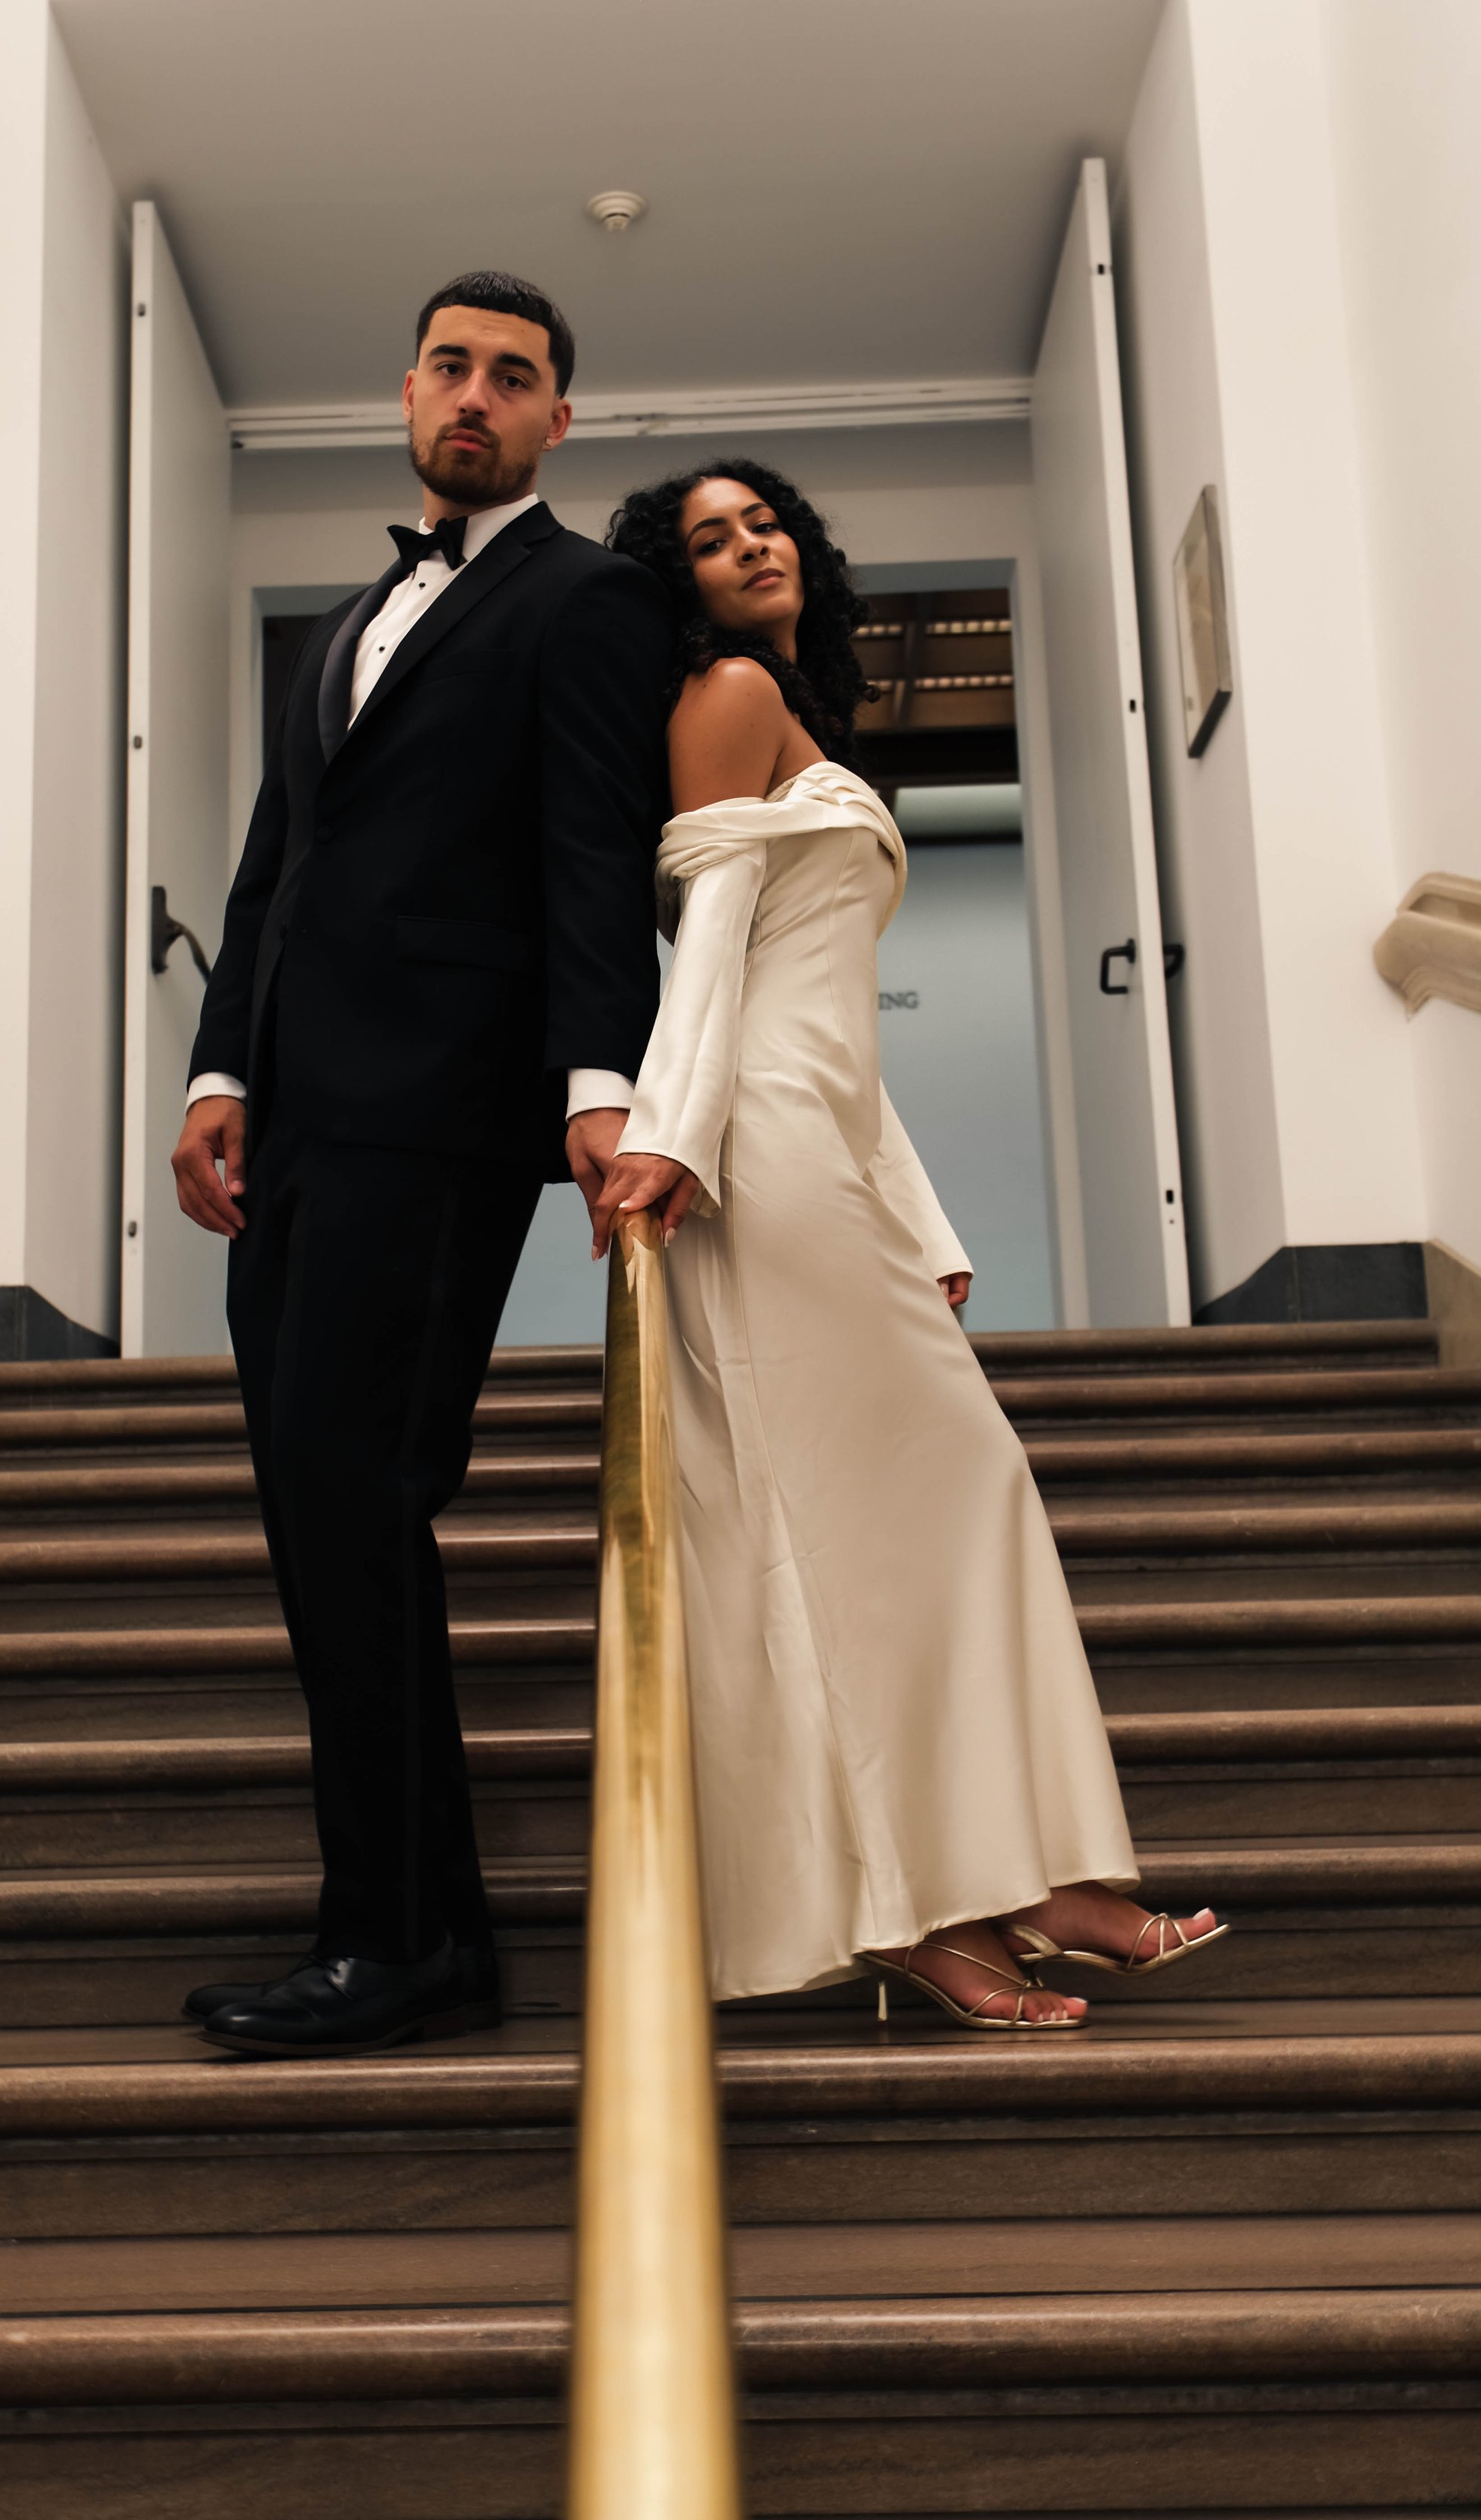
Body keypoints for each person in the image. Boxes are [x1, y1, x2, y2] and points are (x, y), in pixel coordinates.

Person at [592, 461, 1224, 2028]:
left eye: (765, 524)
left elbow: (840, 1036)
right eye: (710, 540)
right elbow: (713, 954)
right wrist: (664, 1130)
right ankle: (944, 1909)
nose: (753, 548)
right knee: (882, 1519)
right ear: (677, 585)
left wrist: (919, 1215)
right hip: (755, 1157)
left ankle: (1000, 1882)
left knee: (940, 1502)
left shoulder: (800, 716)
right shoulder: (726, 695)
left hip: (825, 1149)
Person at [169, 273, 671, 2058]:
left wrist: (599, 1088)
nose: (475, 396)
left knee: (357, 1494)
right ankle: (418, 1929)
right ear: (405, 391)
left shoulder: (590, 603)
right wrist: (221, 1065)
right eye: (450, 367)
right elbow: (267, 872)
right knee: (321, 1512)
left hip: (437, 1119)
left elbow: (593, 858)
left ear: (555, 422)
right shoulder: (348, 615)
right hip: (292, 1121)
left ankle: (391, 1940)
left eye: (513, 378)